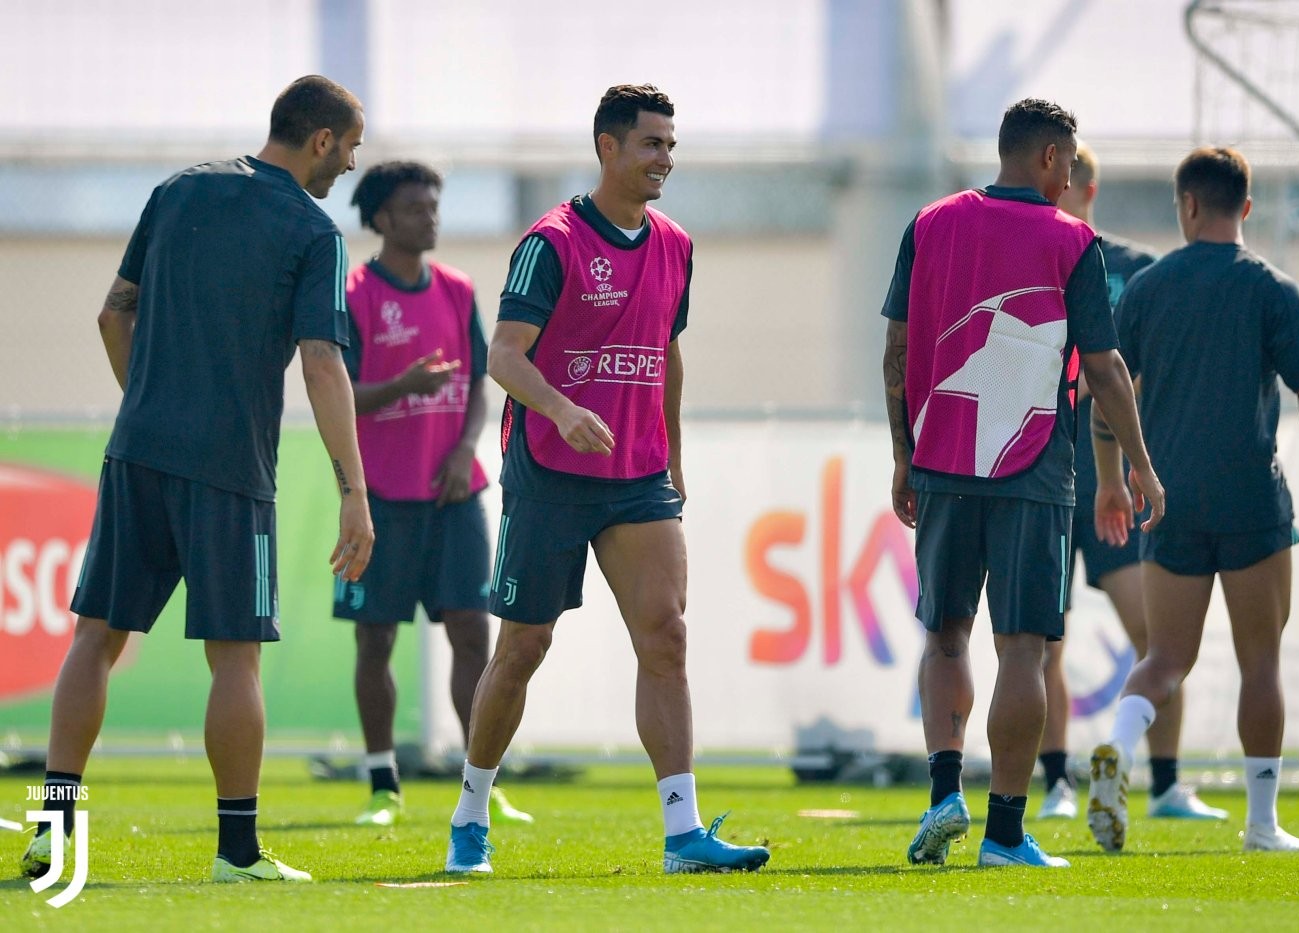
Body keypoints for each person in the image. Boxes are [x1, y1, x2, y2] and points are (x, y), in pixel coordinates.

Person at [18, 75, 373, 884]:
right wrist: (353, 489)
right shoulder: (312, 232)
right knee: (236, 660)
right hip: (228, 469)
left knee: (96, 637)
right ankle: (238, 852)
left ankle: (53, 831)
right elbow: (322, 360)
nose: (351, 163)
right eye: (350, 146)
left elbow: (114, 311)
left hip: (137, 449)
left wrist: (149, 404)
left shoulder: (176, 191)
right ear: (320, 140)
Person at [440, 84, 769, 876]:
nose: (664, 159)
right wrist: (559, 410)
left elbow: (667, 349)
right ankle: (470, 814)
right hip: (549, 472)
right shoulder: (549, 241)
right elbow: (504, 356)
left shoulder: (677, 245)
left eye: (671, 145)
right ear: (608, 148)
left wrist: (674, 453)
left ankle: (683, 832)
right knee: (524, 647)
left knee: (666, 635)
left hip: (638, 475)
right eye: (651, 143)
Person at [881, 98, 1164, 869]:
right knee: (1022, 649)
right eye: (1068, 163)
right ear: (1046, 158)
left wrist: (902, 454)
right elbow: (1102, 366)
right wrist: (1137, 459)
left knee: (943, 634)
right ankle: (1005, 833)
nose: (1070, 176)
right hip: (1033, 465)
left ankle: (944, 793)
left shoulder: (929, 222)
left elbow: (897, 351)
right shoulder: (1071, 239)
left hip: (941, 455)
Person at [1087, 146, 1299, 854]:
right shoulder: (1270, 287)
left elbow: (1107, 398)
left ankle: (1117, 746)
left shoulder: (1147, 288)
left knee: (1164, 659)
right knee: (1259, 662)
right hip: (1250, 499)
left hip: (1169, 500)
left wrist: (1112, 480)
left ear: (1184, 205)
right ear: (1245, 207)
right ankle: (1262, 823)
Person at [333, 161, 533, 829]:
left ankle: (480, 781)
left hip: (455, 495)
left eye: (434, 205)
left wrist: (461, 450)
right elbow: (337, 392)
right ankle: (382, 782)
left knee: (474, 635)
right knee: (374, 642)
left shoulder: (455, 288)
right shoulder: (355, 293)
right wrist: (403, 387)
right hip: (381, 500)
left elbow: (479, 381)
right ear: (383, 219)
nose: (431, 217)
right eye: (416, 207)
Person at [1036, 143, 1226, 823]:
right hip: (1044, 476)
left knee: (1156, 636)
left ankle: (1167, 783)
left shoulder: (1135, 270)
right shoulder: (1025, 259)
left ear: (1083, 191)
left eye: (1061, 187)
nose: (1050, 198)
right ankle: (1054, 783)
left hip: (1111, 479)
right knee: (1041, 640)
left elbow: (1141, 369)